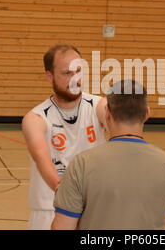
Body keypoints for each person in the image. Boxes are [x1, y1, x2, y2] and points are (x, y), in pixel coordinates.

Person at [51, 80, 165, 230]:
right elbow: (159, 220)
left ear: (107, 112)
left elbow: (62, 227)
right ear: (147, 113)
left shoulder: (82, 164)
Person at [22, 44, 107, 230]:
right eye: (67, 73)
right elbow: (43, 162)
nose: (75, 79)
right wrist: (69, 199)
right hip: (49, 211)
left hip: (92, 210)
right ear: (49, 76)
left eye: (78, 71)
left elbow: (120, 124)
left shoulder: (100, 105)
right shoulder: (36, 118)